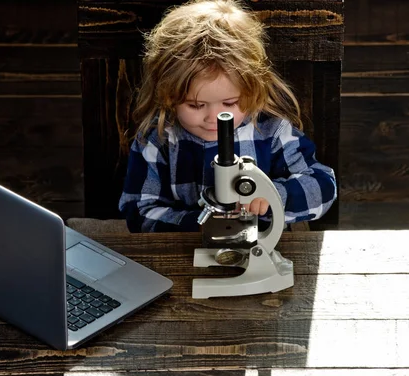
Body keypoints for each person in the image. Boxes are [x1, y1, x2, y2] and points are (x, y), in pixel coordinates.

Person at [118, 0, 337, 232]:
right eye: (196, 105)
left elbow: (323, 187)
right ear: (167, 95)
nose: (214, 118)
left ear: (253, 90)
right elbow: (138, 211)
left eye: (230, 103)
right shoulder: (157, 139)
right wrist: (199, 226)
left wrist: (272, 197)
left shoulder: (272, 131)